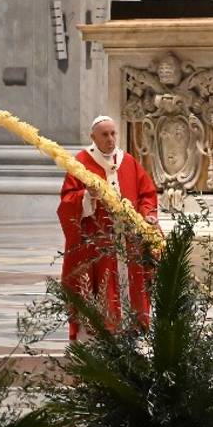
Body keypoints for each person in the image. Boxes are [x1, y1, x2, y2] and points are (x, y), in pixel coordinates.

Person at [57, 115, 159, 341]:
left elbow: (146, 194)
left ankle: (131, 335)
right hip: (97, 244)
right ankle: (97, 340)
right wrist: (86, 197)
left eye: (113, 134)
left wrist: (148, 216)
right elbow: (66, 202)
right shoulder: (81, 163)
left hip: (127, 243)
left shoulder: (128, 161)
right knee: (100, 291)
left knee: (129, 289)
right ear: (93, 137)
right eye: (104, 135)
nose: (110, 139)